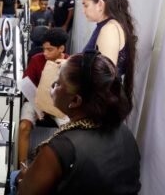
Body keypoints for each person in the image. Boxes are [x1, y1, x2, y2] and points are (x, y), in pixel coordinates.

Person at [16, 52, 141, 195]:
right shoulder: (125, 132)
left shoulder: (59, 149)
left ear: (75, 101)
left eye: (57, 83)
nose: (52, 86)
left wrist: (22, 179)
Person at [82, 0, 137, 108]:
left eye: (86, 5)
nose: (83, 11)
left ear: (100, 4)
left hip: (102, 104)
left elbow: (104, 77)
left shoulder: (109, 29)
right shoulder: (107, 26)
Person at [18, 28, 69, 165]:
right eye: (44, 49)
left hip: (58, 104)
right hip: (35, 99)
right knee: (23, 127)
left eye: (50, 49)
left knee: (69, 131)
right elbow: (26, 85)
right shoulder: (36, 60)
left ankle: (59, 167)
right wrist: (38, 107)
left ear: (61, 48)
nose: (45, 53)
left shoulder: (70, 64)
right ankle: (22, 167)